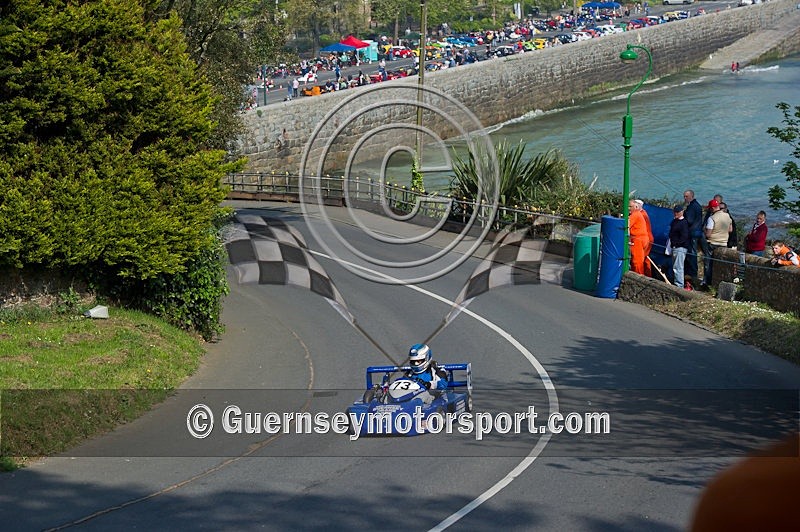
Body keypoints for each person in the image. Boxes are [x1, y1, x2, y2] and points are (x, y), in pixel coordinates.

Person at [703, 199, 733, 287]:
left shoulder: (712, 218)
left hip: (713, 243)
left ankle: (707, 283)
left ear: (712, 208)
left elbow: (708, 234)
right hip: (724, 243)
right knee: (720, 265)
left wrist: (704, 231)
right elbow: (730, 230)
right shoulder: (727, 216)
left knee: (708, 264)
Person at [683, 190, 703, 284]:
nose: (685, 198)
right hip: (697, 231)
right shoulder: (697, 205)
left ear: (691, 196)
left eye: (686, 196)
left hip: (692, 232)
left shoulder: (692, 207)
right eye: (684, 196)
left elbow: (689, 220)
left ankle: (692, 273)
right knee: (693, 252)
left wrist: (684, 215)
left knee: (691, 253)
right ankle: (692, 272)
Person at [669, 205, 690, 288]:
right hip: (674, 246)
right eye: (675, 212)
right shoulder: (674, 221)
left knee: (678, 267)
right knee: (675, 266)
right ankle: (677, 282)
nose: (676, 213)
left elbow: (684, 236)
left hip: (680, 247)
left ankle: (679, 285)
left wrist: (676, 244)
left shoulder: (684, 223)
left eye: (677, 212)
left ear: (682, 212)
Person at [628, 199, 649, 275]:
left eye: (630, 206)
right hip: (642, 239)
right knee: (640, 261)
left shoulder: (635, 214)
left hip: (638, 240)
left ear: (636, 207)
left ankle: (638, 277)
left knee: (637, 262)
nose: (628, 208)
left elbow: (626, 226)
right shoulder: (640, 214)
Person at [634, 199, 654, 276]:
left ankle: (641, 275)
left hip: (644, 238)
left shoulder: (640, 214)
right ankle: (648, 275)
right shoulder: (644, 213)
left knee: (640, 258)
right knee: (645, 258)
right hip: (648, 238)